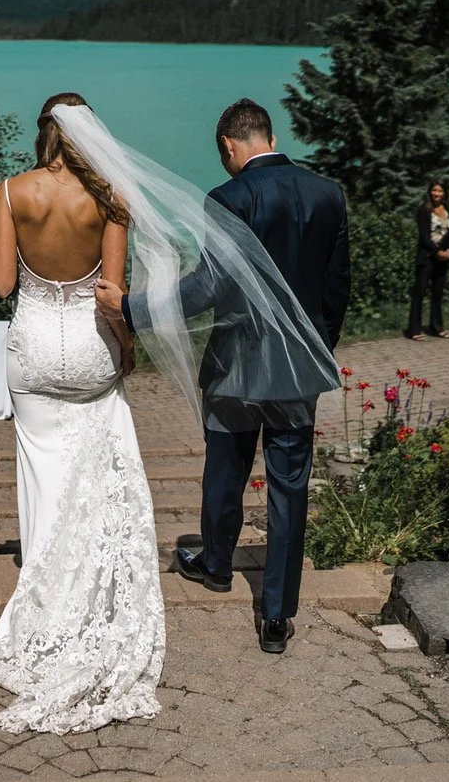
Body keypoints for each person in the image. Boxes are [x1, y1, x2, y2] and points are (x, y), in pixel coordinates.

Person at [94, 98, 349, 654]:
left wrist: (131, 308)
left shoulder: (229, 197)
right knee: (289, 487)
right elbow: (335, 288)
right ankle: (277, 615)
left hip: (236, 364)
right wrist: (313, 352)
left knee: (226, 469)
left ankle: (215, 565)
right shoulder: (329, 193)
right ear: (270, 137)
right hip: (298, 370)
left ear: (229, 146)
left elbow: (209, 287)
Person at [0, 92, 165, 734]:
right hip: (88, 349)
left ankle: (44, 590)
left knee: (41, 474)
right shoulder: (110, 199)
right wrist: (127, 348)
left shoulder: (12, 190)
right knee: (97, 473)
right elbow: (111, 294)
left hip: (30, 350)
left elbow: (2, 283)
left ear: (44, 133)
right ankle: (90, 591)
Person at [405, 180, 449, 340]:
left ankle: (436, 327)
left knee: (438, 293)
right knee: (419, 293)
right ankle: (414, 330)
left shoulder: (447, 208)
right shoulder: (424, 209)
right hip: (427, 257)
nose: (436, 194)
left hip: (443, 258)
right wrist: (438, 251)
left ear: (444, 193)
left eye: (440, 191)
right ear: (429, 192)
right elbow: (424, 237)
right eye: (434, 190)